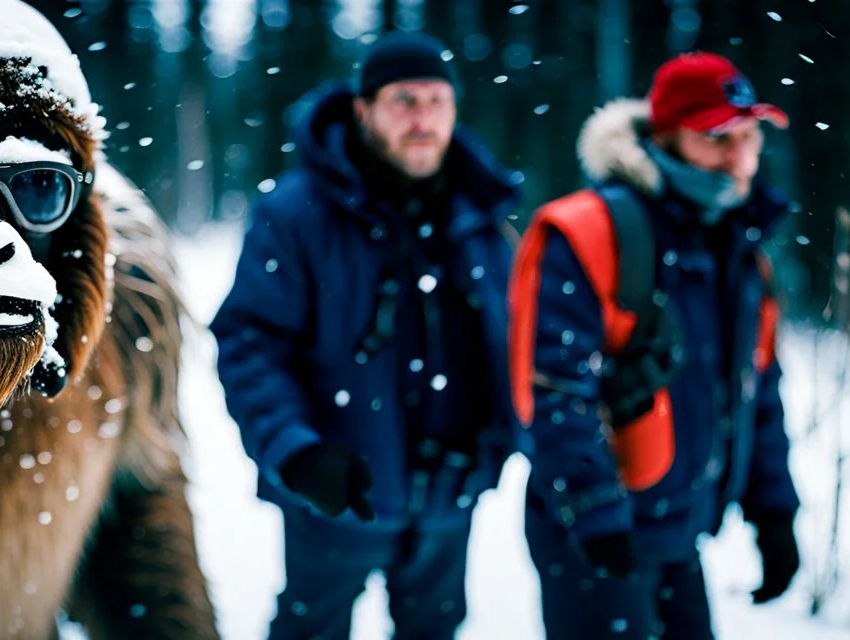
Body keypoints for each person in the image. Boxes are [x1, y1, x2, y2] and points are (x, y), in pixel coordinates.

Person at [211, 32, 523, 639]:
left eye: (437, 101)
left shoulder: (481, 216)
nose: (423, 119)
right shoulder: (297, 213)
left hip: (449, 500)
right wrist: (297, 453)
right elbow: (250, 343)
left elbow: (513, 344)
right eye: (404, 100)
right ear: (364, 109)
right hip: (336, 493)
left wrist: (510, 438)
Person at [509, 52, 800, 639]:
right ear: (665, 136)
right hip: (593, 533)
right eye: (718, 137)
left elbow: (757, 389)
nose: (739, 158)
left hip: (677, 528)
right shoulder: (587, 231)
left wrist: (775, 512)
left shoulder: (741, 252)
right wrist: (595, 512)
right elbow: (552, 388)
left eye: (749, 138)